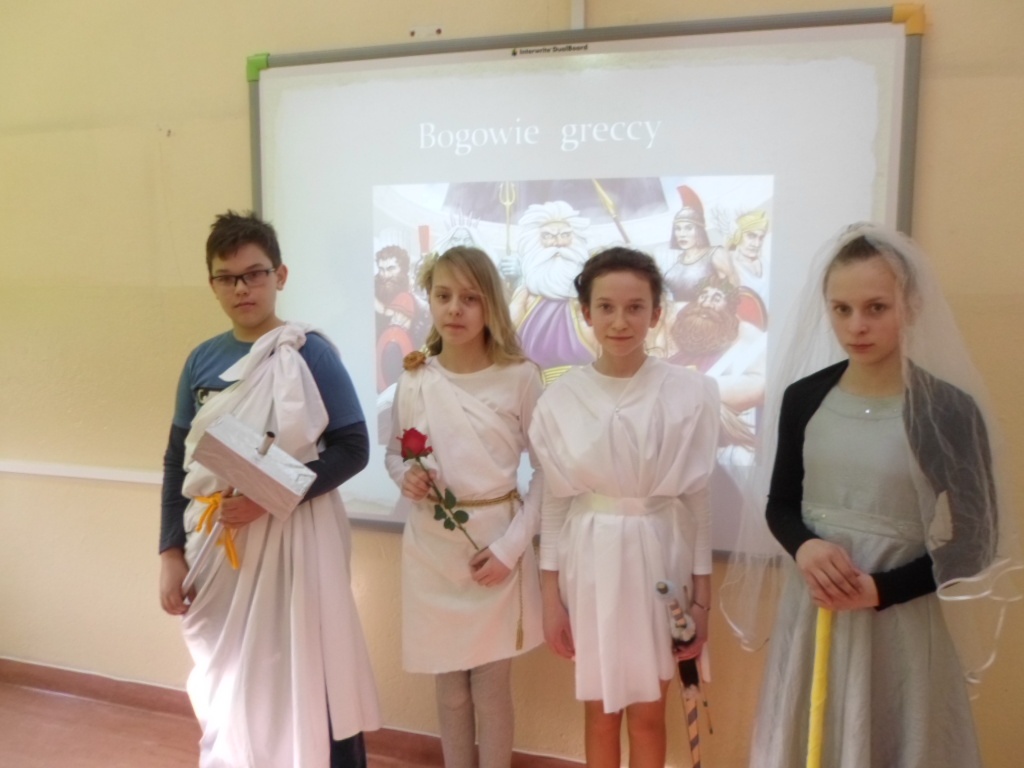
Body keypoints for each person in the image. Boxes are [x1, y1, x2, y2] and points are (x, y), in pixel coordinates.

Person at [724, 224, 1021, 767]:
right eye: (841, 309)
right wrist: (805, 547)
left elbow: (977, 541)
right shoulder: (804, 397)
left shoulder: (945, 410)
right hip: (814, 615)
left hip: (899, 628)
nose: (856, 326)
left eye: (876, 308)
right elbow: (780, 503)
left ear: (912, 306)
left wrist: (881, 589)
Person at [159, 211, 380, 768]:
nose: (242, 288)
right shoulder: (201, 361)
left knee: (308, 665)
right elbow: (177, 461)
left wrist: (270, 497)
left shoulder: (307, 352)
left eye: (254, 274)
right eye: (227, 277)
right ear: (213, 284)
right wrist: (169, 553)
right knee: (233, 683)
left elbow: (353, 448)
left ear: (279, 275)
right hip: (215, 547)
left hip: (294, 541)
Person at [529, 247, 720, 768]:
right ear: (585, 313)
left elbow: (697, 499)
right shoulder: (559, 399)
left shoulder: (689, 392)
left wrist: (702, 603)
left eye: (635, 307)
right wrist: (550, 598)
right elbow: (555, 504)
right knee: (600, 712)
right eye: (606, 307)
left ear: (656, 314)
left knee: (649, 713)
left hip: (661, 559)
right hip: (589, 563)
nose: (620, 321)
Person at [384, 246, 544, 768]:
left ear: (490, 304)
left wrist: (510, 549)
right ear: (429, 300)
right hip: (431, 551)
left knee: (491, 690)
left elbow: (549, 474)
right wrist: (406, 477)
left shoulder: (520, 377)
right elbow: (394, 454)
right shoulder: (415, 377)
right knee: (450, 691)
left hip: (495, 549)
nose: (454, 309)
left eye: (470, 298)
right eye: (443, 295)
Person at [669, 275, 766, 462]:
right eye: (703, 296)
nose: (706, 304)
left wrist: (695, 386)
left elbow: (760, 386)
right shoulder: (681, 322)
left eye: (716, 299)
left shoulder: (745, 335)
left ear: (729, 307)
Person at [509, 201, 598, 382]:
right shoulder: (525, 296)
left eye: (565, 235)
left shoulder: (590, 295)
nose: (558, 243)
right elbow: (504, 339)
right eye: (548, 236)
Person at [660, 186, 738, 302]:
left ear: (699, 230)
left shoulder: (715, 254)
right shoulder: (676, 263)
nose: (682, 234)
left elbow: (733, 289)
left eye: (688, 228)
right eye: (678, 229)